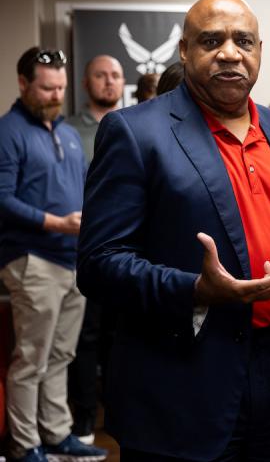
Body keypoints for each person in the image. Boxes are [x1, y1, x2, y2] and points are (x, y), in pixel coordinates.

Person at [76, 0, 270, 461]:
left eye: (243, 40)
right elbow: (99, 264)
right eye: (211, 40)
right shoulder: (135, 132)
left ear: (260, 51)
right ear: (184, 51)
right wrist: (195, 290)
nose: (229, 52)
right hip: (182, 381)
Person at [0, 47, 107, 462]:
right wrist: (55, 223)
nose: (54, 95)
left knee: (62, 354)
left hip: (72, 260)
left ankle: (57, 433)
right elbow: (3, 199)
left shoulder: (66, 134)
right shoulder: (9, 131)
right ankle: (26, 444)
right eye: (46, 88)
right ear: (24, 84)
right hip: (32, 258)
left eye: (60, 88)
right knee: (32, 358)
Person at [64, 54, 125, 446]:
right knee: (84, 339)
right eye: (101, 76)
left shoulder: (138, 125)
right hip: (81, 251)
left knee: (120, 337)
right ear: (86, 83)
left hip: (128, 251)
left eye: (116, 76)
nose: (109, 82)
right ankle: (83, 422)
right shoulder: (68, 129)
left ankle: (120, 418)